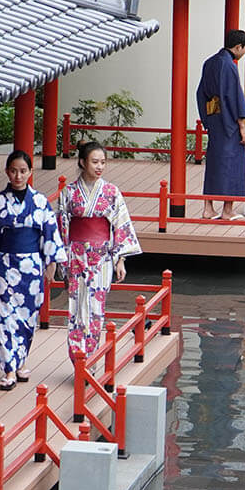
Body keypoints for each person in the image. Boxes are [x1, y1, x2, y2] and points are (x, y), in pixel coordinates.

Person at [0, 150, 66, 391]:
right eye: (13, 170)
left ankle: (20, 362)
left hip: (32, 268)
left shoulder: (40, 201)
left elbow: (50, 233)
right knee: (4, 317)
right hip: (5, 265)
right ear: (7, 172)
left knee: (27, 319)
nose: (18, 175)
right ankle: (9, 369)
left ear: (30, 172)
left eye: (23, 171)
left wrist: (51, 263)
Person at [57, 141, 141, 361]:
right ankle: (78, 357)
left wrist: (119, 259)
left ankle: (91, 357)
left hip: (102, 255)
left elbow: (120, 225)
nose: (99, 166)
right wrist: (60, 261)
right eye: (94, 162)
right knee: (75, 305)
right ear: (83, 162)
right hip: (75, 255)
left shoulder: (111, 192)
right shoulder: (69, 192)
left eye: (103, 162)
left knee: (96, 306)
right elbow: (62, 227)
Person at [196, 29, 245, 220]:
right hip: (229, 123)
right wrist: (242, 127)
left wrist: (207, 119)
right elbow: (234, 97)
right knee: (233, 164)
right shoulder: (229, 65)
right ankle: (227, 211)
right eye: (244, 49)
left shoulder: (209, 62)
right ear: (238, 47)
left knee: (214, 162)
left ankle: (208, 208)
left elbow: (201, 93)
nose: (243, 53)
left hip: (214, 119)